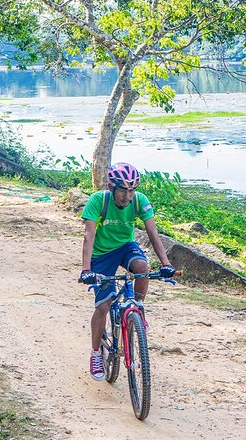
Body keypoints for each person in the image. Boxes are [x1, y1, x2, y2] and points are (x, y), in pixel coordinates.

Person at [79, 162, 176, 381]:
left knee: (142, 269)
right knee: (103, 305)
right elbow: (89, 236)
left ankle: (138, 308)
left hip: (125, 247)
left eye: (132, 190)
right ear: (113, 188)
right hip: (101, 254)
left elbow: (153, 232)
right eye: (123, 190)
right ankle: (96, 353)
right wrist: (86, 270)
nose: (128, 196)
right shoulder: (98, 200)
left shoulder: (139, 201)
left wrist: (166, 264)